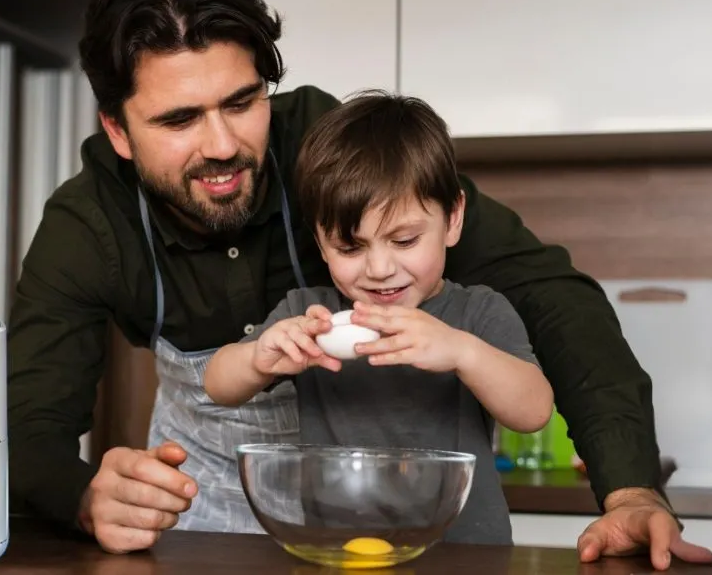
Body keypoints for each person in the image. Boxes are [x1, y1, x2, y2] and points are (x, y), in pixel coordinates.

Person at [6, 0, 712, 570]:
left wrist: (630, 488)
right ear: (118, 131)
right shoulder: (87, 227)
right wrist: (86, 498)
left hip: (371, 530)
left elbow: (547, 291)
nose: (221, 144)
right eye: (180, 119)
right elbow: (27, 428)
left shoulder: (336, 149)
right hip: (201, 526)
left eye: (242, 101)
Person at [204, 91, 555, 545]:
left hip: (465, 553)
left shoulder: (477, 312)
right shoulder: (311, 315)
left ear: (452, 220)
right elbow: (217, 384)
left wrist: (462, 351)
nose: (380, 269)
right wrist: (257, 358)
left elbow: (534, 411)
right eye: (350, 248)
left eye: (404, 241)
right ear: (319, 241)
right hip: (336, 549)